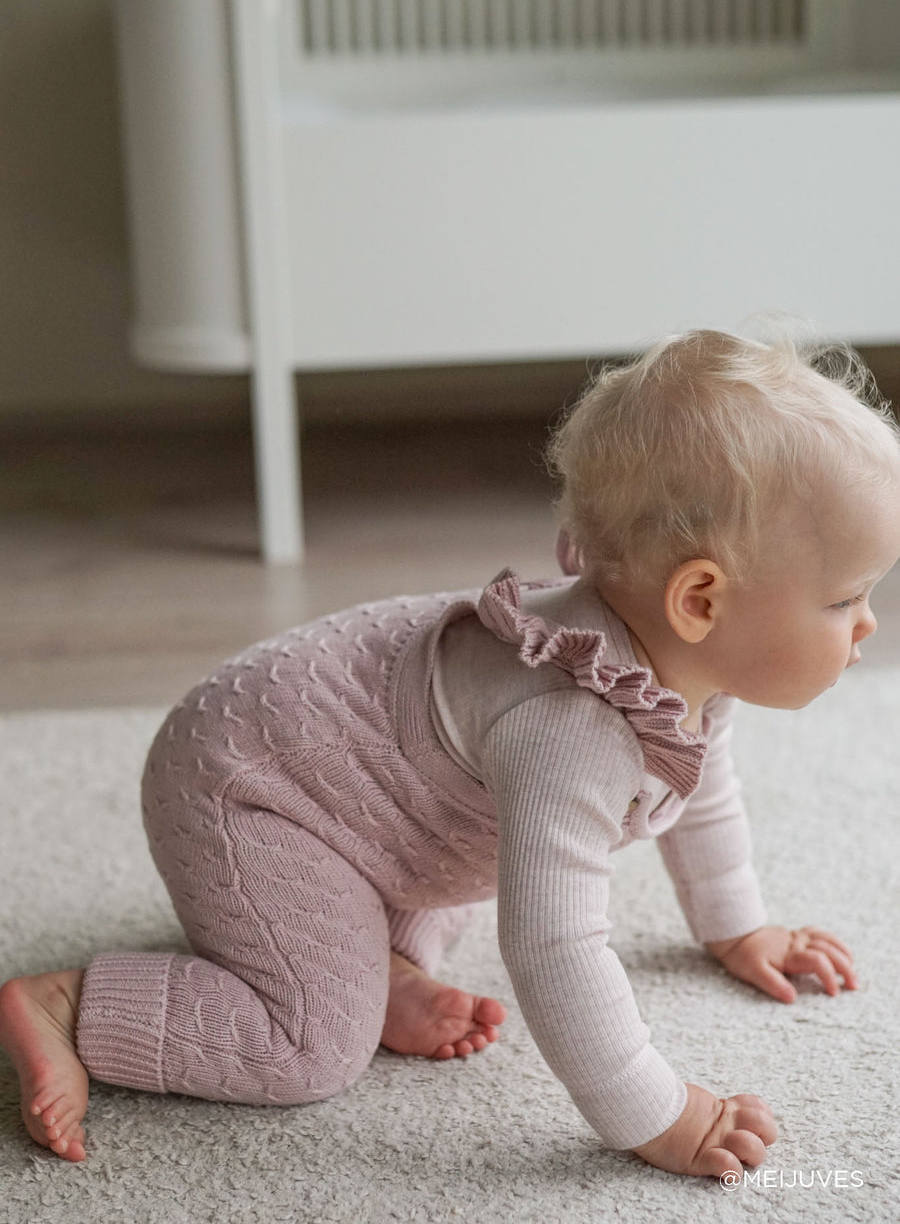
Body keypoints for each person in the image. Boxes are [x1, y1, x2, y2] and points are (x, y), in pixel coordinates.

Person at [3, 329, 899, 1178]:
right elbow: (553, 944)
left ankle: (379, 962)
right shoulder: (571, 728)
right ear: (699, 600)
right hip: (245, 791)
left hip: (355, 792)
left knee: (476, 869)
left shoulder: (682, 669)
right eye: (844, 600)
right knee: (311, 1047)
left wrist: (737, 924)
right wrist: (657, 1114)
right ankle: (69, 1005)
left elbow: (699, 785)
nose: (866, 624)